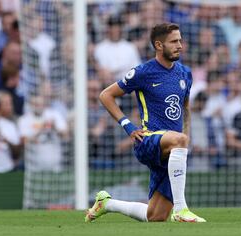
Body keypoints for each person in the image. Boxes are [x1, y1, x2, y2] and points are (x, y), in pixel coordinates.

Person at [85, 23, 206, 223]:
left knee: (155, 216)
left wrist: (186, 138)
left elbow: (185, 108)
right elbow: (106, 95)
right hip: (147, 140)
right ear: (159, 45)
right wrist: (128, 126)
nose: (180, 45)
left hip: (171, 147)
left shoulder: (185, 73)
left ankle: (106, 203)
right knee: (179, 140)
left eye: (180, 40)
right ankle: (181, 210)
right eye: (174, 41)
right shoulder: (143, 72)